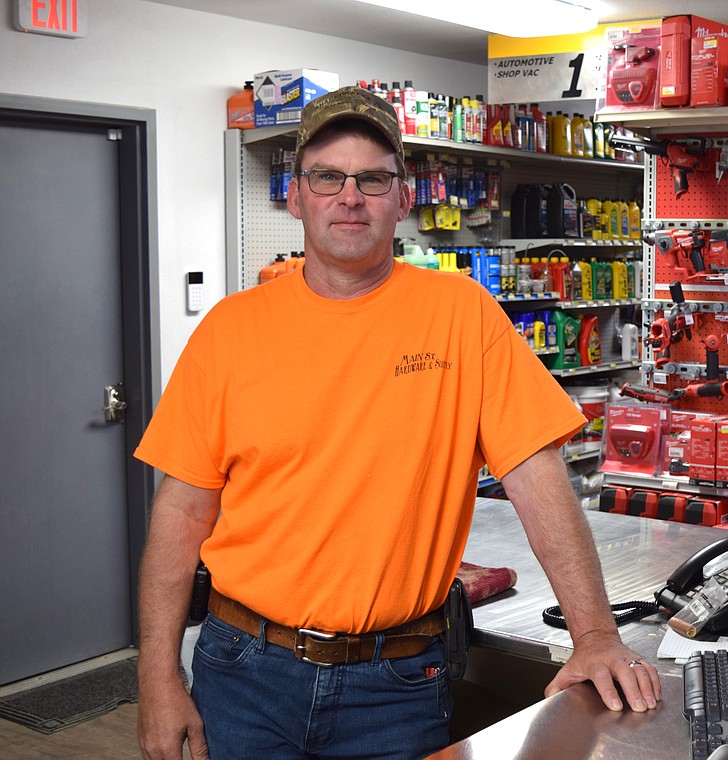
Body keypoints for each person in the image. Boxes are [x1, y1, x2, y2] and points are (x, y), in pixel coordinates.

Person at [135, 86, 660, 760]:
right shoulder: (229, 332)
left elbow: (538, 478)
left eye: (374, 178)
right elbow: (180, 516)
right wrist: (156, 675)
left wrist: (593, 637)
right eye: (327, 176)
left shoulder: (463, 317)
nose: (349, 196)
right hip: (243, 674)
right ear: (295, 197)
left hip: (397, 682)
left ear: (404, 199)